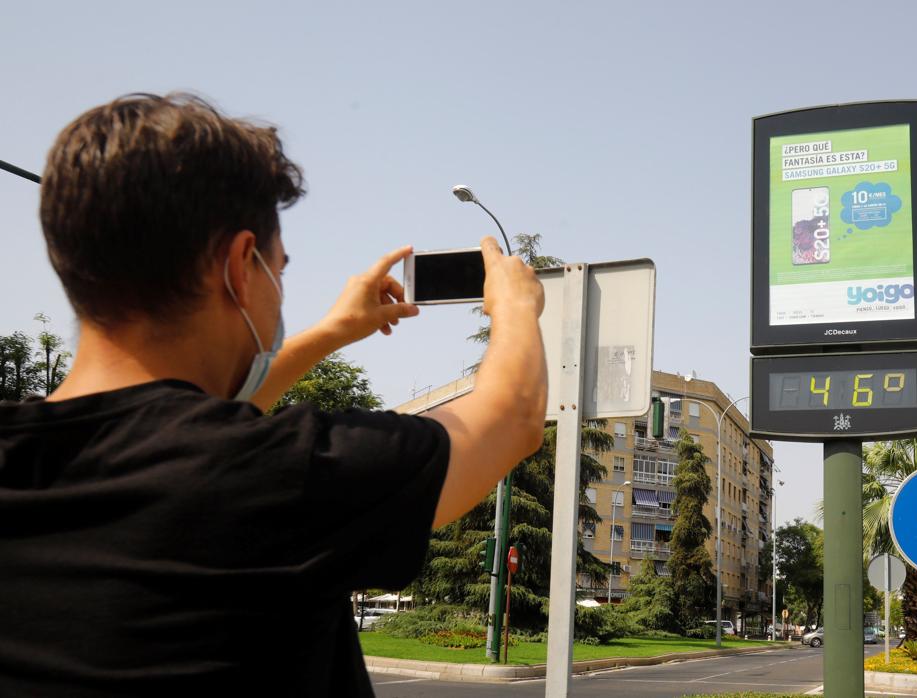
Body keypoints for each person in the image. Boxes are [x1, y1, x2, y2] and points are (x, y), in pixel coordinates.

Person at [0, 93, 547, 697]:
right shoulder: (281, 474)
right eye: (278, 268)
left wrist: (329, 334)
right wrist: (516, 305)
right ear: (240, 265)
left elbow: (183, 431)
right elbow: (513, 415)